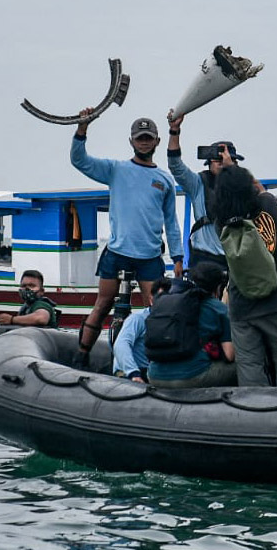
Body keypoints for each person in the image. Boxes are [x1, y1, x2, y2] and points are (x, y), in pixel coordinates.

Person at [70, 109, 184, 363]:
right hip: (117, 253)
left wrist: (177, 257)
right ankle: (81, 357)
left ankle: (156, 365)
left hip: (149, 257)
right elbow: (79, 160)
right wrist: (82, 129)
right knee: (102, 304)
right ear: (131, 141)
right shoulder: (115, 169)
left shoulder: (164, 180)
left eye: (148, 138)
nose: (144, 142)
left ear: (157, 141)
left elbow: (171, 223)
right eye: (139, 137)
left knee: (156, 310)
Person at [212, 160, 277, 387]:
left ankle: (255, 415)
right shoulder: (268, 204)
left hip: (243, 305)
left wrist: (224, 173)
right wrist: (233, 165)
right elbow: (258, 187)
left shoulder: (220, 224)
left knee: (250, 366)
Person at [166, 111, 241, 271]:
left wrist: (232, 172)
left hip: (235, 259)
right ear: (208, 163)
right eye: (217, 159)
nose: (222, 162)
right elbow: (175, 166)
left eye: (227, 159)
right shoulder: (198, 183)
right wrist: (174, 131)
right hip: (204, 258)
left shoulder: (242, 185)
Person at [147, 262, 235, 388]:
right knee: (244, 365)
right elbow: (229, 354)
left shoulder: (165, 301)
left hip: (154, 376)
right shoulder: (218, 309)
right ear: (217, 288)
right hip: (191, 377)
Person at [112, 277, 172, 382]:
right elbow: (121, 344)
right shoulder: (138, 319)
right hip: (133, 370)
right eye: (161, 298)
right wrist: (133, 372)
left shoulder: (174, 321)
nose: (165, 302)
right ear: (151, 300)